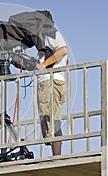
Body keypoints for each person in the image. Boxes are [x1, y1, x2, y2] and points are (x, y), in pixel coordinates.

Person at [36, 25, 68, 156]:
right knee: (52, 118)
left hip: (49, 82)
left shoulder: (50, 33)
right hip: (53, 81)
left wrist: (43, 65)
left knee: (51, 119)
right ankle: (56, 157)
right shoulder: (46, 41)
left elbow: (63, 50)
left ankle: (57, 158)